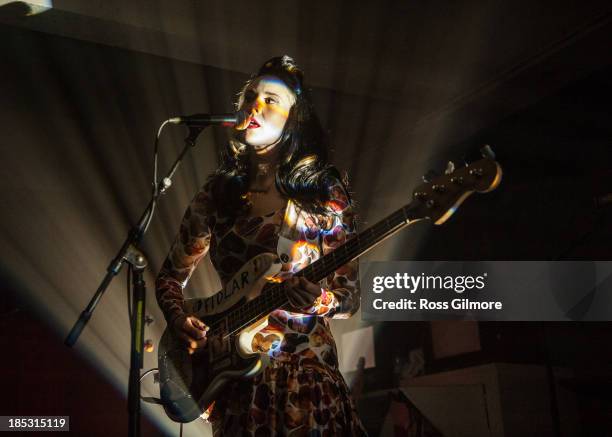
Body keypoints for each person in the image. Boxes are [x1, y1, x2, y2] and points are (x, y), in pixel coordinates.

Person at [156, 55, 367, 436]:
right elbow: (170, 277)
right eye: (250, 96)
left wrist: (319, 299)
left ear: (295, 119)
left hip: (305, 379)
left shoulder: (324, 192)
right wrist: (178, 319)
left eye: (271, 99)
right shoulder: (216, 196)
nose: (255, 104)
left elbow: (349, 297)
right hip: (239, 383)